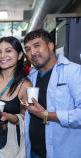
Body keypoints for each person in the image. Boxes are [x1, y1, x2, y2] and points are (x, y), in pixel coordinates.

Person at [23, 29, 81, 158]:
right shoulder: (31, 76)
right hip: (33, 151)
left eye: (37, 45)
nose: (32, 52)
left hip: (62, 152)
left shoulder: (74, 72)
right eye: (27, 49)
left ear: (50, 45)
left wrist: (46, 115)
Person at [0, 36, 31, 158]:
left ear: (19, 55)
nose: (2, 55)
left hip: (7, 143)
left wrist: (8, 116)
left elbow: (28, 119)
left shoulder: (25, 85)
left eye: (8, 51)